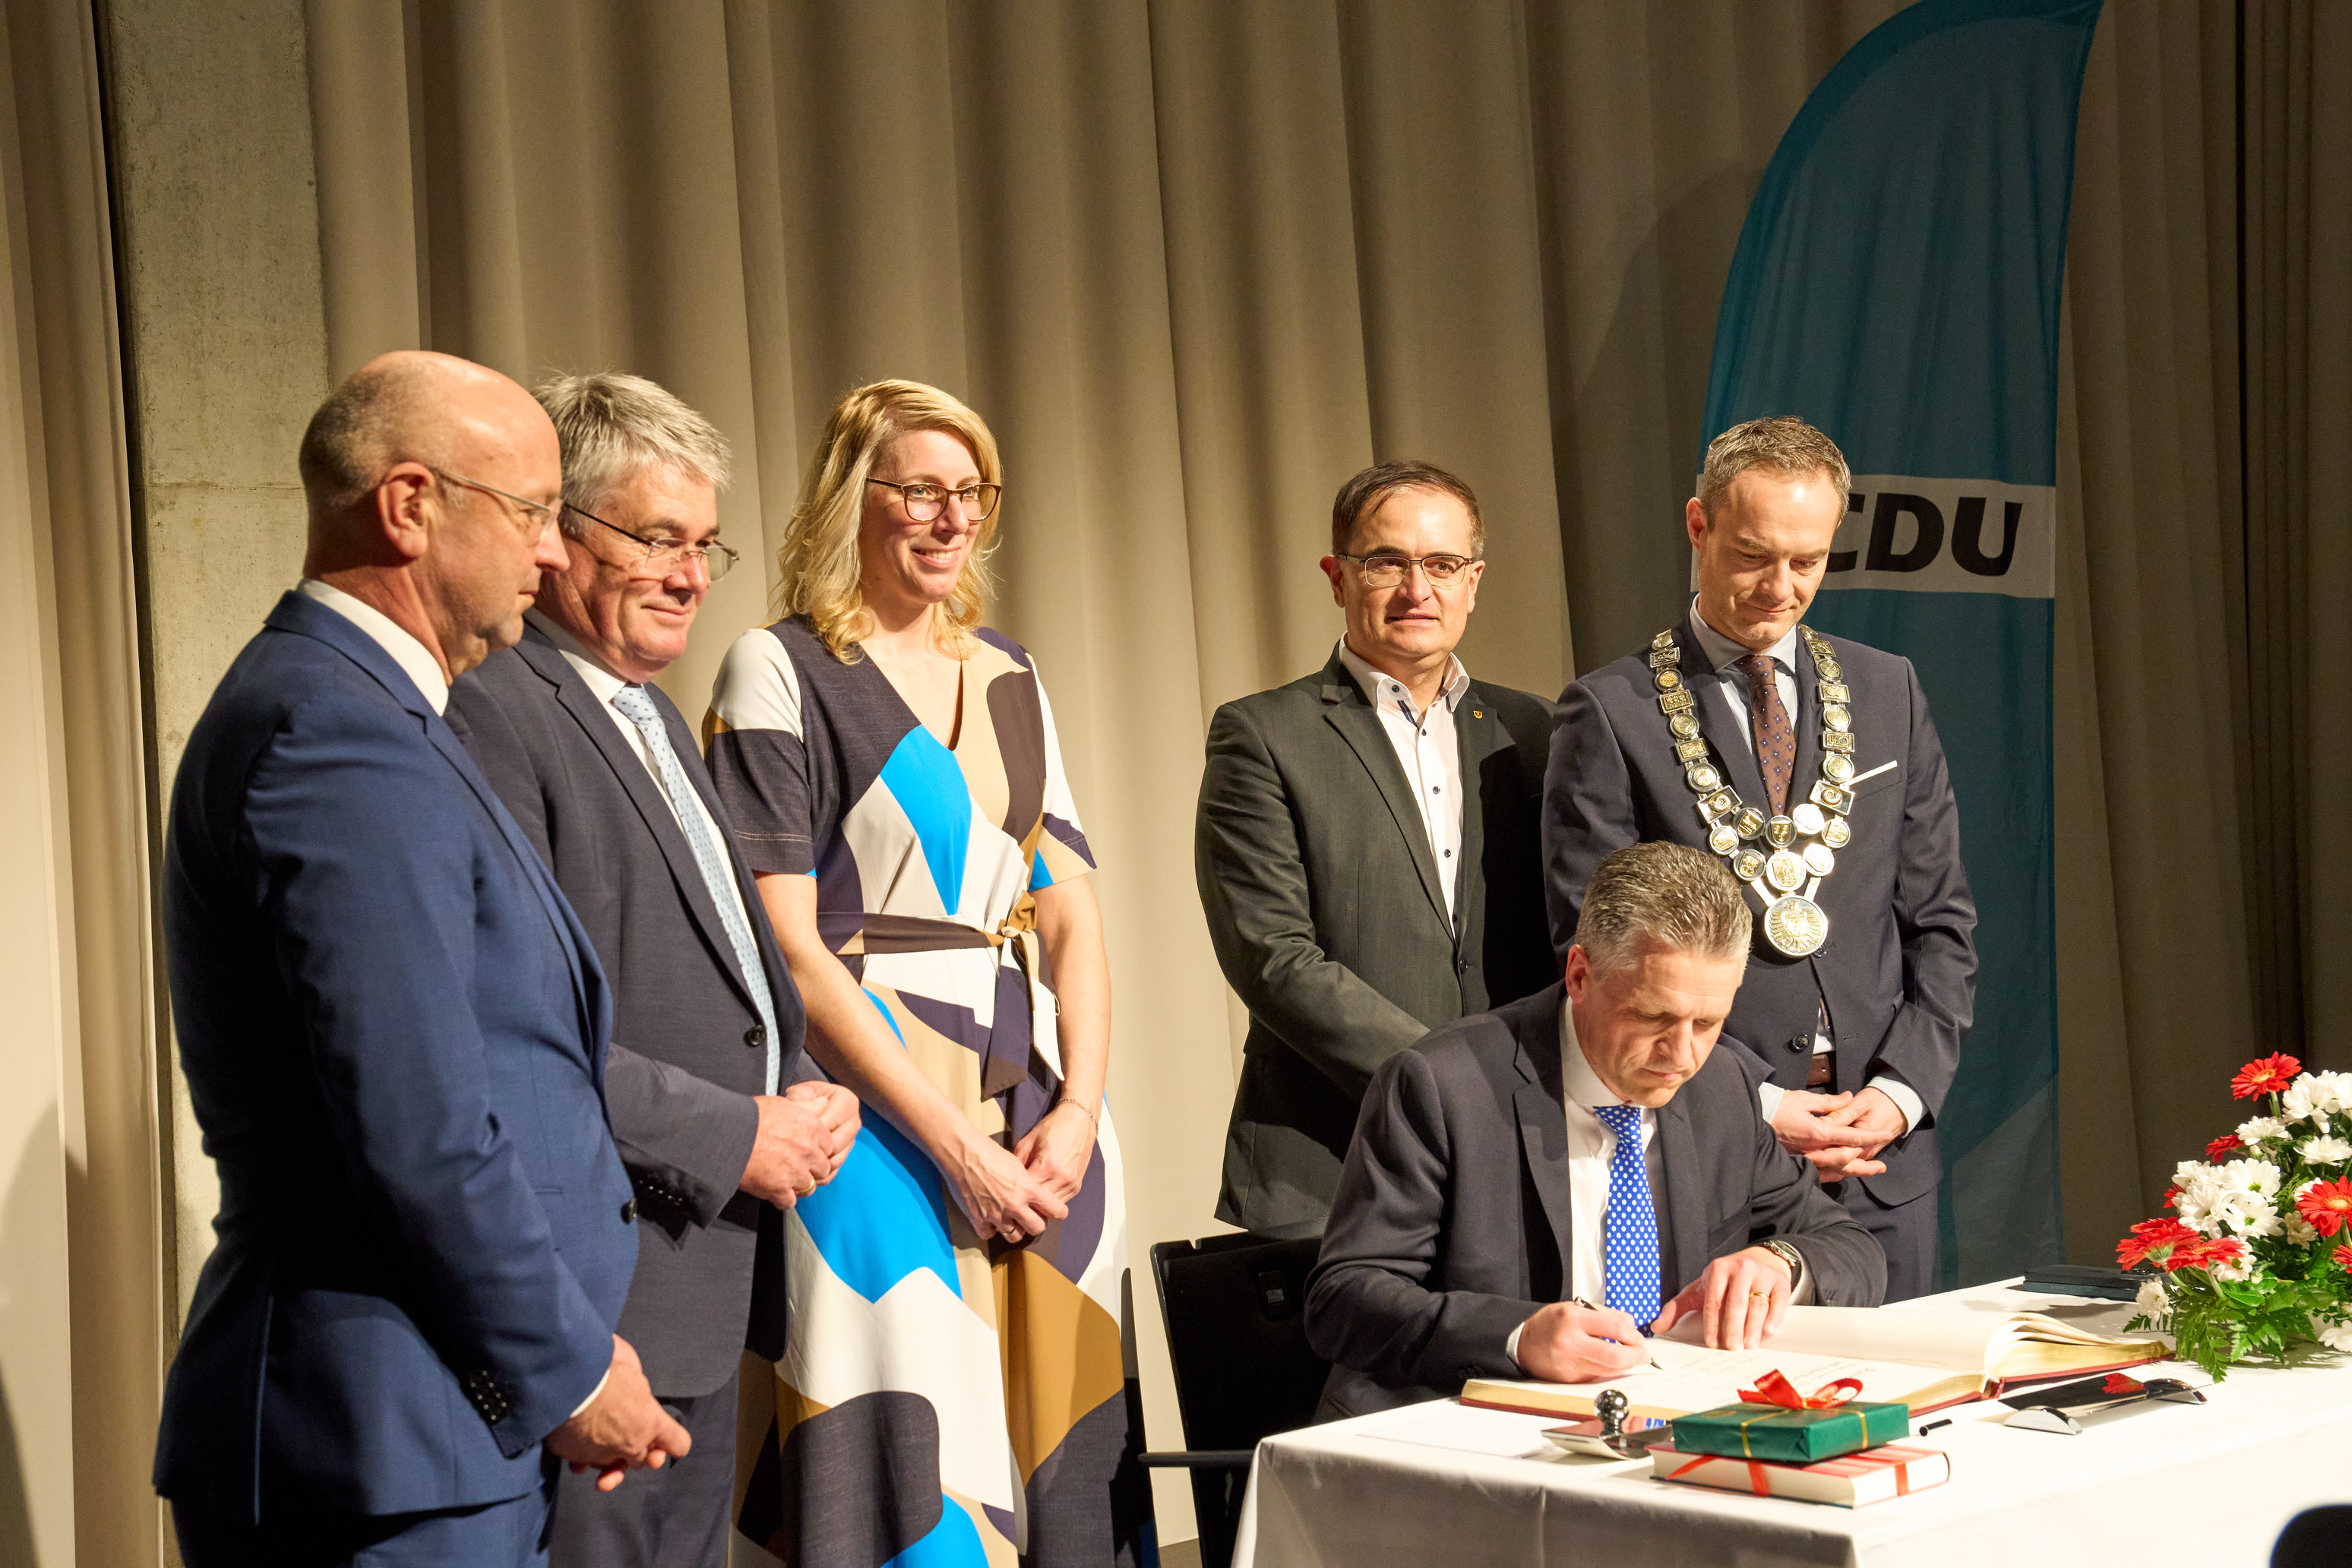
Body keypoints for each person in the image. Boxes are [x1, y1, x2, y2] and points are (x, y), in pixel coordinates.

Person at [154, 352, 690, 1566]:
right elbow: (418, 1122)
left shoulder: (384, 716)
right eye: (536, 514)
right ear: (409, 507)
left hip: (437, 1429)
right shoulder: (330, 730)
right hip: (377, 1443)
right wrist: (562, 1368)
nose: (555, 554)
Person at [704, 380, 1149, 1565]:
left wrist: (1079, 1112)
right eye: (921, 491)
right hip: (871, 1106)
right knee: (908, 1454)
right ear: (856, 499)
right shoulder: (776, 667)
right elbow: (788, 947)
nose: (952, 520)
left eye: (973, 494)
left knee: (1064, 1449)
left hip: (1037, 1107)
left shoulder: (1009, 673)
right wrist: (953, 1150)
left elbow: (1074, 917)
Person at [448, 372, 861, 1567]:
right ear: (554, 535)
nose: (689, 575)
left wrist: (798, 1081)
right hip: (596, 1306)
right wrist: (736, 1132)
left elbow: (710, 979)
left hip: (698, 1279)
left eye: (703, 546)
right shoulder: (495, 710)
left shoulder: (650, 711)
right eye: (656, 540)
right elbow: (506, 1029)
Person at [1541, 416, 1977, 1301]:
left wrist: (1901, 1094)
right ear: (1697, 526)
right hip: (1719, 1148)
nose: (1780, 588)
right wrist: (1764, 1105)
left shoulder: (1886, 686)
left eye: (1808, 562)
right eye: (1752, 555)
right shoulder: (1611, 712)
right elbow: (1591, 950)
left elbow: (1942, 924)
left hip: (1883, 1155)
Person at [1305, 842, 1886, 1418]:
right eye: (1654, 1016)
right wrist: (1516, 1336)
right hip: (1467, 1424)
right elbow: (1344, 1299)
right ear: (1580, 974)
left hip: (1664, 1423)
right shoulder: (1441, 1086)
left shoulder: (1723, 1087)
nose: (1682, 1055)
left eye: (1707, 1022)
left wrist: (1780, 1261)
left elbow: (1853, 1250)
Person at [1197, 460, 1556, 1240]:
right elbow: (1272, 957)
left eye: (1442, 564)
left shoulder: (1540, 733)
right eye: (1387, 562)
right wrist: (1448, 1082)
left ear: (1475, 580)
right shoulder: (1262, 734)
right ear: (1337, 576)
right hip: (1333, 1161)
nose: (1416, 589)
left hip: (1522, 1150)